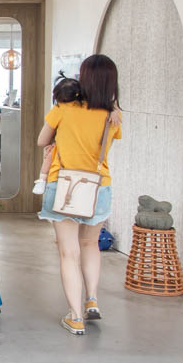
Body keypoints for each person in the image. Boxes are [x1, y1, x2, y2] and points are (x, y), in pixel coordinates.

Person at [36, 54, 123, 337]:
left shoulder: (64, 108)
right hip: (99, 187)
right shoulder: (113, 115)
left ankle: (75, 317)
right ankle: (92, 300)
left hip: (64, 186)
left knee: (68, 252)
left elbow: (41, 140)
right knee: (90, 245)